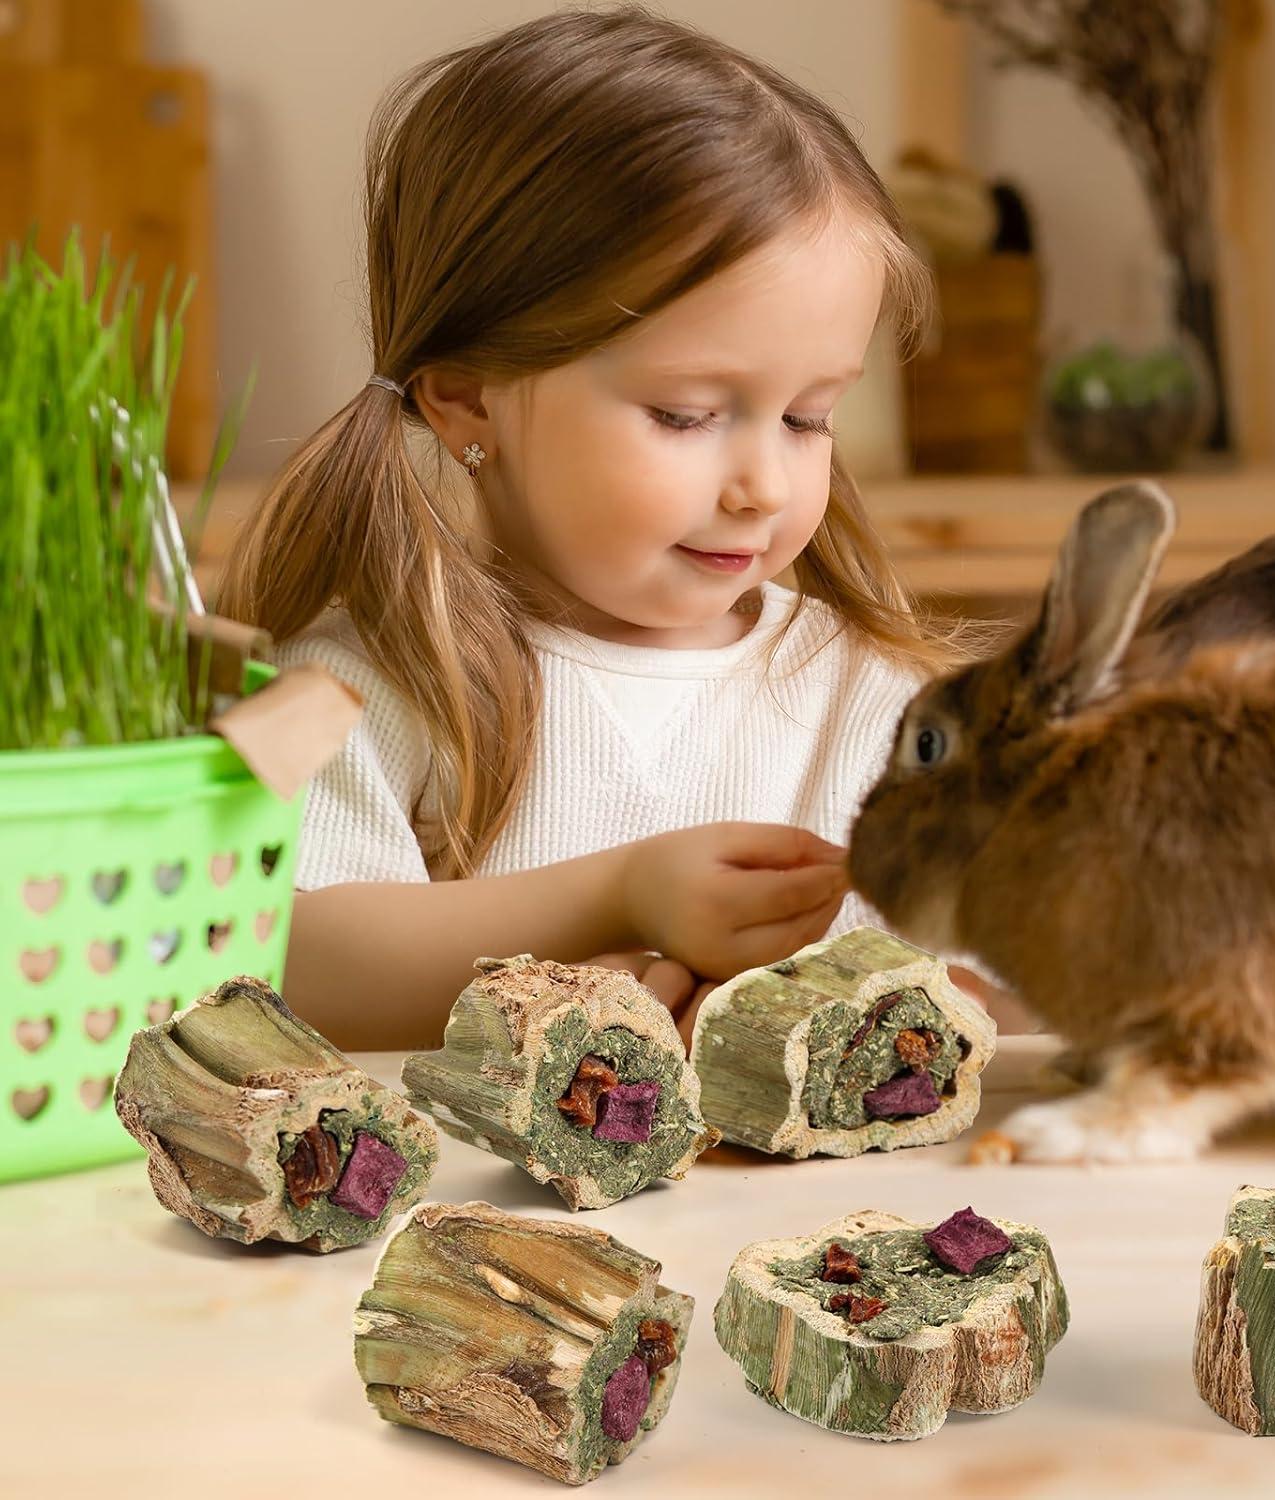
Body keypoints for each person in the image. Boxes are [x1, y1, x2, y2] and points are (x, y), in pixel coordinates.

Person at [222, 5, 1016, 1051]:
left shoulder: (871, 697)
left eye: (810, 417)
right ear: (468, 395)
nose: (763, 484)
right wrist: (620, 897)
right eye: (685, 415)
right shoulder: (362, 687)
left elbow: (993, 985)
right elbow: (286, 961)